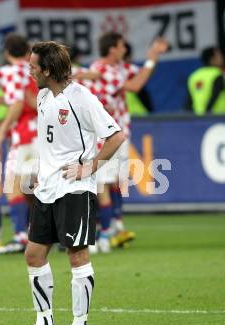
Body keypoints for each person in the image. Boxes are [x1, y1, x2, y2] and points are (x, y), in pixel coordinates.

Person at [9, 41, 125, 325]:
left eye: (34, 66)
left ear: (48, 69)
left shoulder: (82, 98)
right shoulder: (44, 96)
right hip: (47, 188)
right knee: (34, 255)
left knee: (77, 256)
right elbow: (51, 144)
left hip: (74, 188)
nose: (29, 70)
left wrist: (90, 168)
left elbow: (115, 135)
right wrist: (39, 171)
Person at [83, 32, 168, 253]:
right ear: (112, 48)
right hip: (103, 135)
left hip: (120, 132)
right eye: (121, 46)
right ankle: (102, 234)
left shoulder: (119, 67)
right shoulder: (103, 69)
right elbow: (135, 85)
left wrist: (153, 56)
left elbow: (138, 74)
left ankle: (114, 227)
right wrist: (151, 58)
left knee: (115, 181)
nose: (125, 49)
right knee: (100, 183)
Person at [0, 33, 39, 254]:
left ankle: (21, 237)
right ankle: (53, 234)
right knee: (38, 189)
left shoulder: (10, 72)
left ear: (6, 53)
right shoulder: (35, 69)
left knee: (13, 186)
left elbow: (17, 103)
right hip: (43, 134)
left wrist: (1, 132)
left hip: (25, 137)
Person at [186, 47, 225, 115]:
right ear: (212, 59)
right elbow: (214, 96)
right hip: (218, 118)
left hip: (198, 119)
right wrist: (206, 114)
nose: (222, 58)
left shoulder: (194, 75)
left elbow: (188, 102)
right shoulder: (218, 74)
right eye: (219, 56)